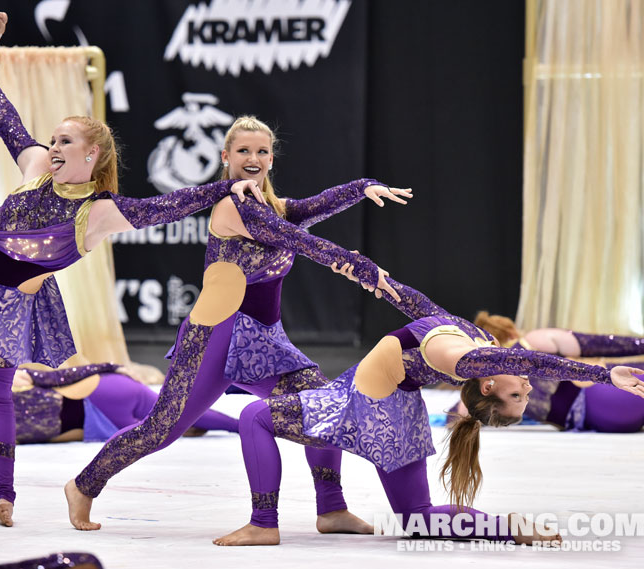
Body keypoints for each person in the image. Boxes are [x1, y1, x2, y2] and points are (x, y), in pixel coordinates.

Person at [0, 12, 261, 527]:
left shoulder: (97, 213)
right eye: (53, 140)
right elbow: (11, 126)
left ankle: (1, 497)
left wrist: (223, 187)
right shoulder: (35, 169)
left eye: (65, 142)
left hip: (6, 294)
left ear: (93, 154)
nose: (53, 147)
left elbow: (169, 205)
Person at [59, 115, 413, 531]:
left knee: (321, 406)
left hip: (265, 342)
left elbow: (315, 205)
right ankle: (83, 485)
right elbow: (299, 239)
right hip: (213, 338)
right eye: (243, 151)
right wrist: (354, 265)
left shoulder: (277, 208)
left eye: (262, 151)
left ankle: (331, 509)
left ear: (271, 160)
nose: (253, 158)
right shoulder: (231, 206)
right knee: (162, 428)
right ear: (226, 157)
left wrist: (361, 187)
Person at [212, 272, 644, 546]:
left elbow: (530, 360)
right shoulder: (477, 346)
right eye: (523, 397)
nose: (526, 388)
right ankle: (333, 511)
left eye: (515, 396)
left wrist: (603, 374)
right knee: (417, 518)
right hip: (397, 410)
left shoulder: (469, 360)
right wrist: (369, 275)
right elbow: (419, 306)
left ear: (490, 384)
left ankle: (263, 523)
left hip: (363, 401)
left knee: (256, 417)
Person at [0, 366, 238, 448]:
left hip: (103, 407)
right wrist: (112, 367)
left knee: (176, 419)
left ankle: (236, 423)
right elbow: (58, 376)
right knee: (179, 416)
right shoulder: (0, 404)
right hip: (104, 394)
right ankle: (237, 423)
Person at [472, 312, 644, 432]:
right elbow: (596, 344)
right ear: (511, 333)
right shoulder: (528, 343)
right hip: (603, 396)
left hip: (593, 421)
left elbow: (461, 413)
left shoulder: (482, 390)